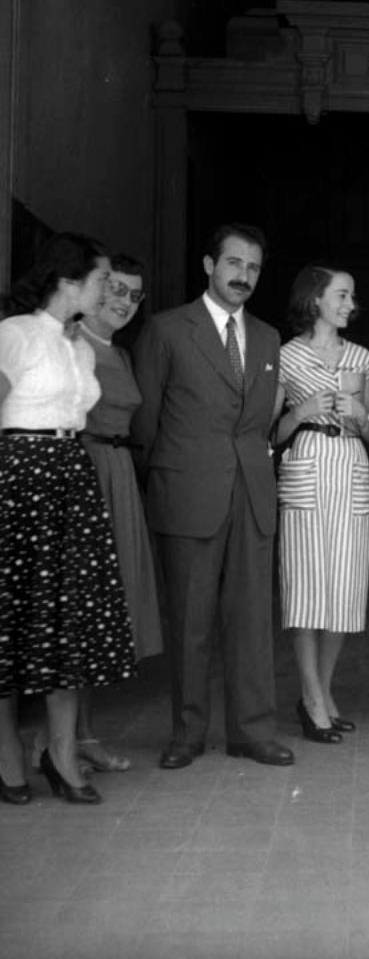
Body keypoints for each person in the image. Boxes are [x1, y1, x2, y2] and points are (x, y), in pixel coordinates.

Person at [132, 222, 294, 769]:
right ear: (209, 265)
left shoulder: (269, 338)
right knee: (190, 622)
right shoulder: (166, 330)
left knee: (252, 621)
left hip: (252, 493)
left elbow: (261, 423)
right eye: (233, 264)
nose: (242, 276)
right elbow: (147, 423)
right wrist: (176, 475)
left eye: (252, 267)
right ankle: (187, 733)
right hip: (187, 491)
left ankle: (252, 731)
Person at [0, 232, 134, 805]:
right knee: (14, 618)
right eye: (102, 279)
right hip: (19, 477)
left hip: (69, 477)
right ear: (69, 280)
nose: (109, 290)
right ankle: (6, 753)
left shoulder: (81, 345)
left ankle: (60, 753)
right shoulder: (15, 334)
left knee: (67, 621)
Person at [275, 265, 369, 743]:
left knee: (343, 593)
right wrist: (299, 412)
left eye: (351, 296)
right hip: (307, 464)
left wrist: (360, 415)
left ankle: (324, 691)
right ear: (315, 299)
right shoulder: (285, 356)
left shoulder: (361, 356)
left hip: (351, 465)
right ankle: (311, 696)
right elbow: (267, 433)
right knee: (306, 591)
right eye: (341, 294)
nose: (348, 303)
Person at [73, 254, 162, 773]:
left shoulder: (122, 355)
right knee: (81, 608)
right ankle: (69, 738)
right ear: (97, 288)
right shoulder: (70, 340)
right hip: (85, 471)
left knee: (105, 609)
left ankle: (82, 735)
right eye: (117, 290)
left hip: (119, 475)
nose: (124, 302)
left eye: (134, 295)